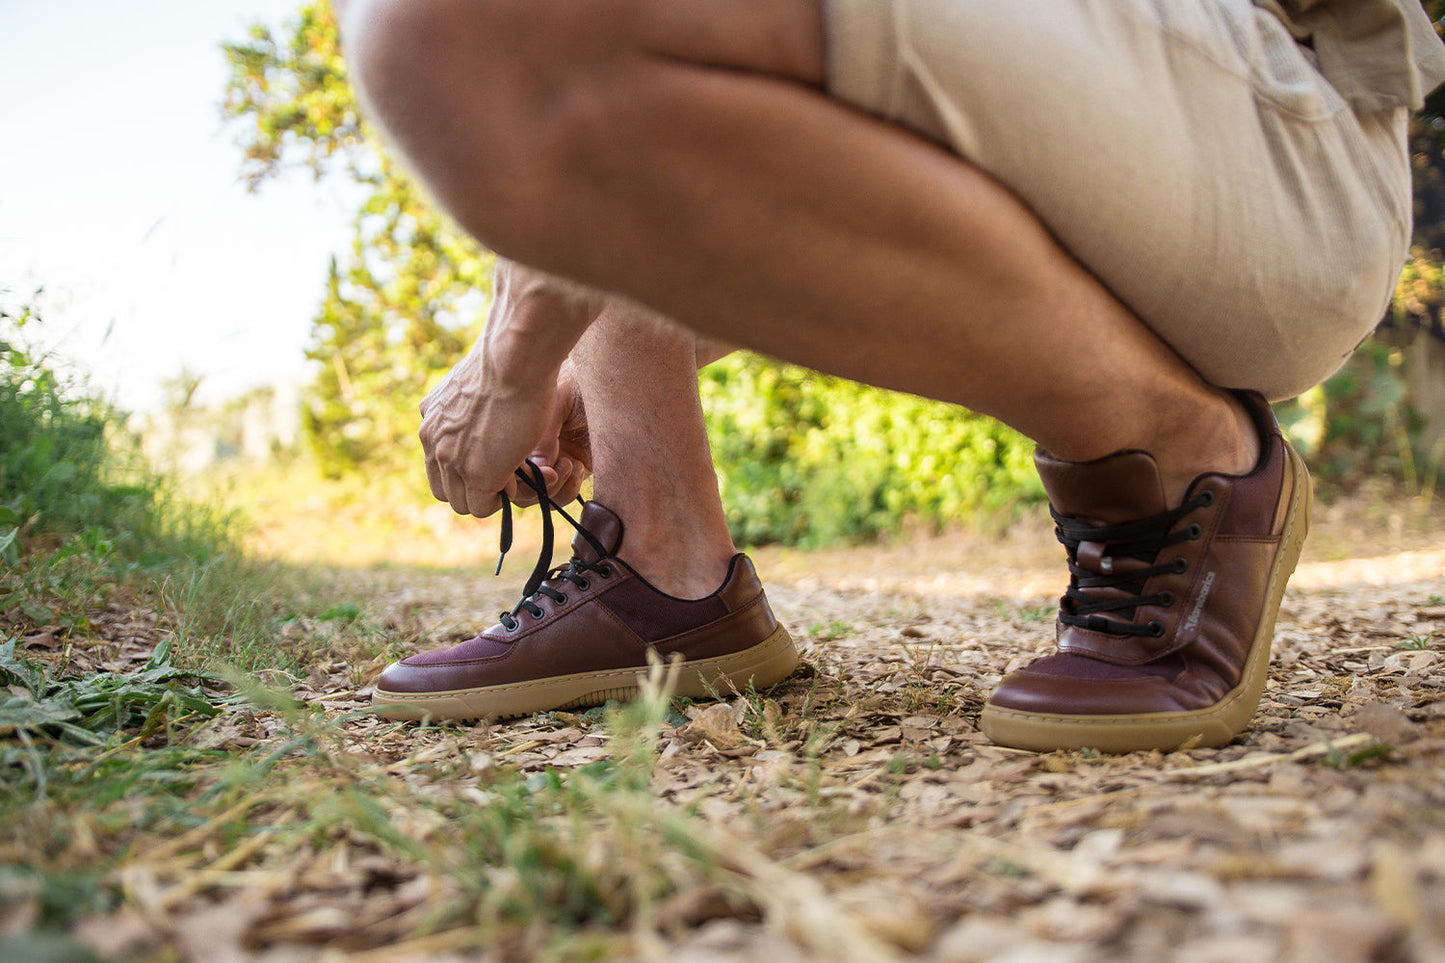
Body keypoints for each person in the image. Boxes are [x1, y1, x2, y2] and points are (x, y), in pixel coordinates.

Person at [336, 0, 1445, 751]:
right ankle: (662, 557)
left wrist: (518, 346)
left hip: (1278, 121)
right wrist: (600, 304)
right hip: (1088, 106)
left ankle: (1169, 449)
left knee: (463, 33)